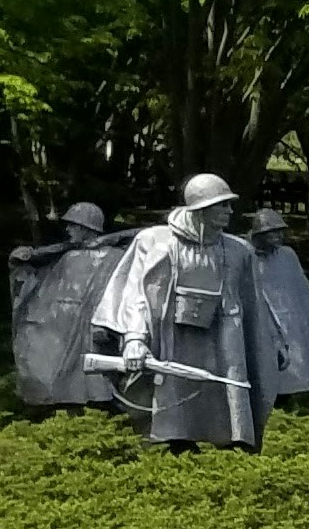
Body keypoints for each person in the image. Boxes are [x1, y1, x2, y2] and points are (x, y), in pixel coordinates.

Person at [91, 174, 281, 449]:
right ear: (200, 208)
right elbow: (136, 294)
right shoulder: (155, 243)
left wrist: (273, 341)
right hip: (169, 341)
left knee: (226, 396)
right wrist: (134, 339)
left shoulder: (239, 251)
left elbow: (256, 306)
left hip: (223, 343)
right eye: (222, 205)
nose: (230, 211)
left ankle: (231, 446)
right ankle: (174, 445)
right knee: (171, 402)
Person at [9, 201, 127, 412]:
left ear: (85, 227)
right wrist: (22, 263)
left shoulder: (115, 257)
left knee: (98, 371)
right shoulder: (67, 256)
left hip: (101, 323)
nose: (68, 230)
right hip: (65, 323)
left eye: (73, 225)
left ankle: (102, 403)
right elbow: (44, 286)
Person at [247, 203, 309, 402]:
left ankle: (296, 395)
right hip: (264, 315)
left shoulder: (287, 255)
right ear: (260, 234)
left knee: (298, 353)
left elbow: (300, 284)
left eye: (280, 232)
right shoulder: (248, 255)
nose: (278, 237)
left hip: (290, 313)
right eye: (272, 232)